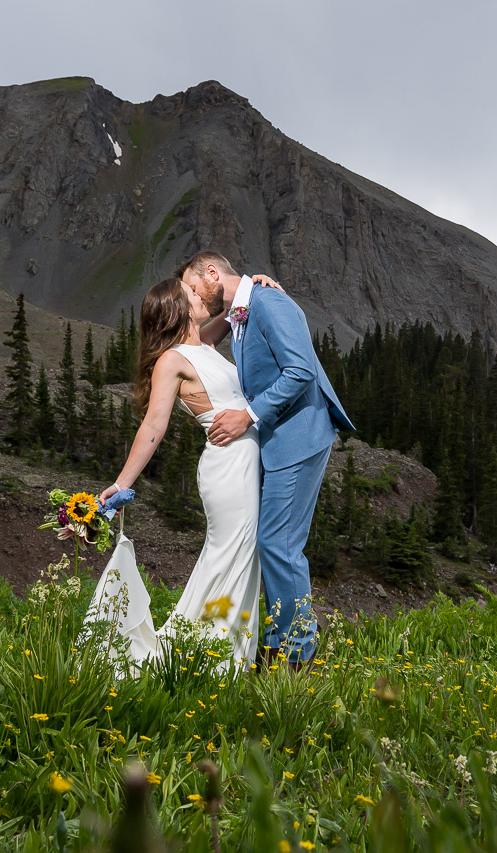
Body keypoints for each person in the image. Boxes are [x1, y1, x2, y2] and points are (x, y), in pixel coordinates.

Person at [176, 252, 353, 668]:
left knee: (279, 544)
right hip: (275, 441)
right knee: (269, 544)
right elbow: (203, 339)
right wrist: (248, 291)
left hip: (297, 438)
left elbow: (301, 371)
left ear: (213, 273)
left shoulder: (271, 303)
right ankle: (276, 643)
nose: (194, 298)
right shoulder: (246, 308)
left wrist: (248, 416)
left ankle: (296, 655)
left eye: (194, 287)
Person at [85, 276, 265, 671]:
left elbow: (237, 312)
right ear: (179, 308)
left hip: (244, 462)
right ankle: (205, 660)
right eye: (191, 294)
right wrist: (120, 485)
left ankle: (215, 655)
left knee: (240, 557)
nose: (200, 296)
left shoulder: (203, 344)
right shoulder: (171, 360)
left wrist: (258, 283)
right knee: (229, 557)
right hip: (228, 466)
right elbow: (153, 426)